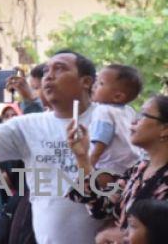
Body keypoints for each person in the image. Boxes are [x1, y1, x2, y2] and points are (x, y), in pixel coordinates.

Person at [0, 50, 106, 244]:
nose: (49, 76)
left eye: (60, 69)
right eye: (46, 71)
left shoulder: (109, 119)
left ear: (86, 81)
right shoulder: (29, 125)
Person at [66, 94, 168, 244]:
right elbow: (101, 208)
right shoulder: (138, 170)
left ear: (165, 129)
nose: (134, 121)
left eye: (143, 115)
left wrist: (119, 235)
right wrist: (82, 157)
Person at [86, 63, 142, 174]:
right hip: (131, 165)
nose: (94, 86)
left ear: (118, 97)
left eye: (101, 84)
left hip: (108, 167)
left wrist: (89, 165)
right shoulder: (129, 111)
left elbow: (100, 141)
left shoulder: (103, 111)